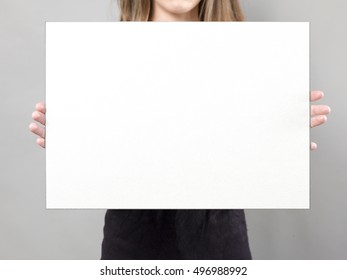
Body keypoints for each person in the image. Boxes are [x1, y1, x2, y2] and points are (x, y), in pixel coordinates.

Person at [29, 0, 331, 259]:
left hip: (219, 237)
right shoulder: (99, 60)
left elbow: (238, 153)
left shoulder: (248, 58)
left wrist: (279, 138)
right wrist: (73, 141)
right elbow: (105, 158)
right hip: (131, 239)